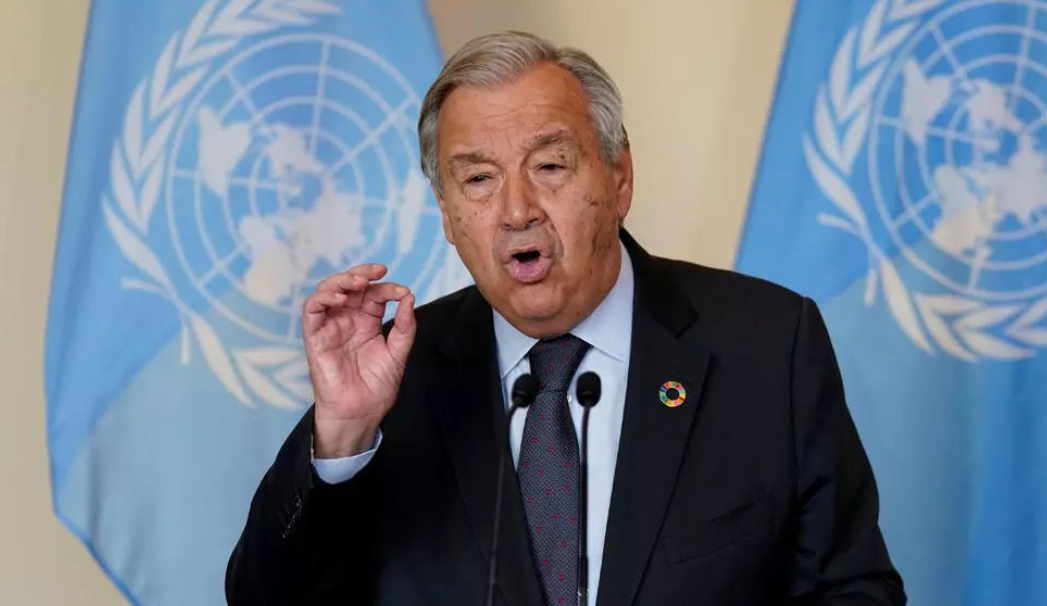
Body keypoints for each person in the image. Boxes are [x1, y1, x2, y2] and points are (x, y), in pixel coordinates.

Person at [226, 31, 905, 606]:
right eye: (478, 179)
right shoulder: (394, 381)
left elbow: (851, 590)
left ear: (619, 177)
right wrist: (342, 435)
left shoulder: (766, 346)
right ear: (447, 214)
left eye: (549, 165)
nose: (516, 209)